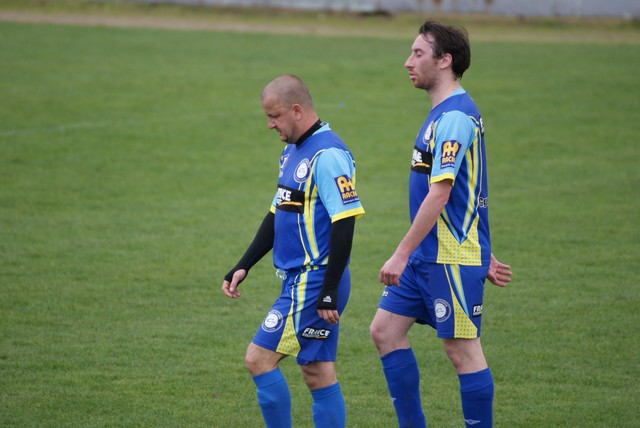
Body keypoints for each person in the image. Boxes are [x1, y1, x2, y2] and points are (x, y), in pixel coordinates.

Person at [370, 21, 512, 428]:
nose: (408, 62)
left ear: (444, 60)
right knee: (385, 331)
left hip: (448, 255)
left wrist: (401, 253)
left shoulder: (455, 118)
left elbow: (441, 194)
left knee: (462, 351)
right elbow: (470, 187)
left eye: (418, 54)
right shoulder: (442, 114)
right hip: (429, 253)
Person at [221, 74, 365, 428]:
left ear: (296, 110)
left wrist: (328, 289)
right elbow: (277, 213)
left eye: (275, 116)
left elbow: (345, 220)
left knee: (258, 359)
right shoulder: (291, 152)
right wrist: (243, 265)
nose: (270, 125)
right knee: (317, 372)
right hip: (301, 280)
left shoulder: (328, 155)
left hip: (315, 281)